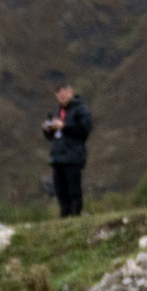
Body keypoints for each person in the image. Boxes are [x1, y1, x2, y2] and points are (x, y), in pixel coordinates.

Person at [45, 84, 92, 217]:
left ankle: (76, 215)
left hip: (73, 157)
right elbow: (52, 136)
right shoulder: (57, 112)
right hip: (57, 157)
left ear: (71, 92)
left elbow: (84, 129)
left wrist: (65, 126)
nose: (62, 97)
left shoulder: (81, 109)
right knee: (60, 192)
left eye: (64, 93)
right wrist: (48, 130)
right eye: (59, 94)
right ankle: (64, 218)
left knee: (74, 190)